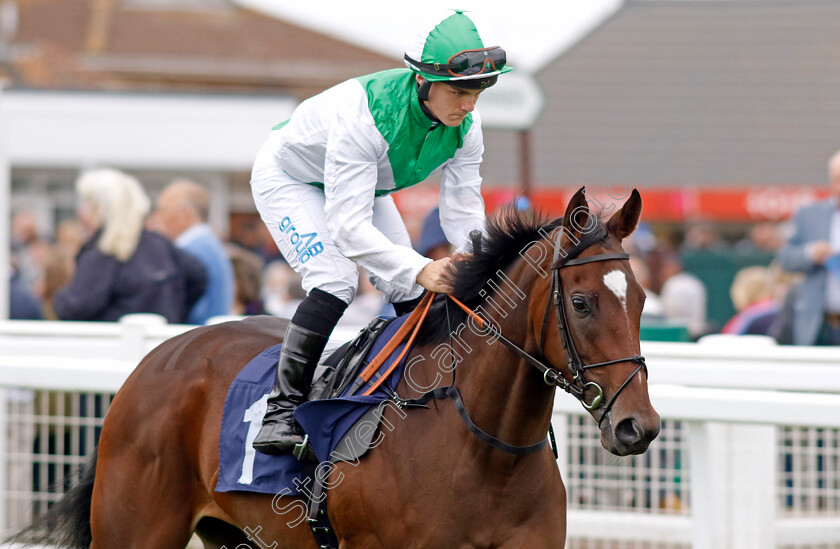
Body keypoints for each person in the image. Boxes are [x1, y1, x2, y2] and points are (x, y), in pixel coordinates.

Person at [249, 9, 511, 455]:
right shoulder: (365, 117)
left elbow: (464, 213)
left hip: (363, 182)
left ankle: (413, 390)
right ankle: (281, 410)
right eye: (459, 92)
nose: (469, 105)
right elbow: (348, 230)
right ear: (423, 81)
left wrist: (487, 267)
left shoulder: (469, 125)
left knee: (404, 282)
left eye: (478, 93)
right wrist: (424, 267)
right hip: (291, 178)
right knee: (336, 280)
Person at [52, 169, 207, 323]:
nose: (82, 212)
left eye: (87, 203)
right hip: (163, 342)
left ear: (100, 208)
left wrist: (58, 298)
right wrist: (174, 314)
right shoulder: (160, 244)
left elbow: (76, 307)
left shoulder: (105, 250)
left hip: (118, 344)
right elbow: (199, 275)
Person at [775, 148, 840, 345]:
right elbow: (784, 258)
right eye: (837, 179)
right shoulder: (809, 214)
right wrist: (810, 253)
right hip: (819, 322)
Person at [152, 178, 235, 324]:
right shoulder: (208, 243)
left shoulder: (193, 250)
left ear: (186, 214)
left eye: (163, 210)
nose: (157, 217)